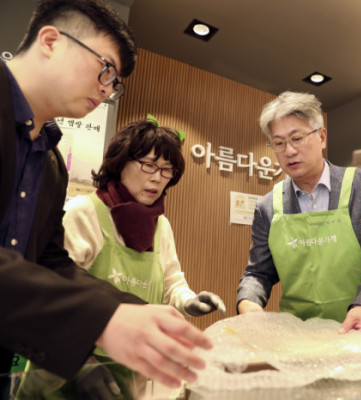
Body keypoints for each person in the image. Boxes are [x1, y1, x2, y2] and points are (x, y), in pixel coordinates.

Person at [0, 0, 211, 394]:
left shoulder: (51, 163)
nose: (108, 89)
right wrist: (98, 325)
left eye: (116, 82)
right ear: (51, 41)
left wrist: (132, 312)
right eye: (106, 69)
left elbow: (50, 264)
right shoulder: (85, 208)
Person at [17, 119, 227, 399]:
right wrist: (83, 361)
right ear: (120, 163)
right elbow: (52, 294)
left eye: (167, 170)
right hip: (66, 366)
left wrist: (189, 301)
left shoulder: (160, 226)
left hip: (131, 366)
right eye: (149, 165)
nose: (157, 178)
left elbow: (171, 283)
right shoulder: (84, 212)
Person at [236, 91, 361, 334]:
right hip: (298, 335)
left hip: (358, 331)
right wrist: (248, 301)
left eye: (297, 138)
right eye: (279, 143)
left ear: (322, 137)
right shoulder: (267, 207)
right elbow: (258, 272)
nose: (289, 151)